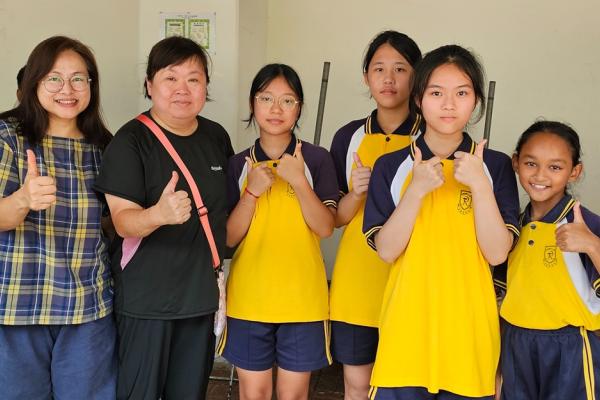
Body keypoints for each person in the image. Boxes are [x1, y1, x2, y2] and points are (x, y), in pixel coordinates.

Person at [362, 45, 520, 399]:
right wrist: (416, 191)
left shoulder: (493, 167)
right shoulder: (392, 165)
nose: (449, 104)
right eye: (436, 93)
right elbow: (386, 250)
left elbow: (497, 253)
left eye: (461, 93)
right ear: (418, 98)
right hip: (406, 329)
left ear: (475, 101)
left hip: (469, 334)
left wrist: (479, 186)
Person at [94, 36, 234, 400]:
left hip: (199, 299)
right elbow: (122, 221)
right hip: (147, 302)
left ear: (205, 86)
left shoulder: (216, 137)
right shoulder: (131, 141)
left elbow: (224, 215)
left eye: (194, 79)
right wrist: (158, 214)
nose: (182, 89)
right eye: (170, 77)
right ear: (149, 84)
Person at [0, 36, 115, 400]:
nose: (67, 89)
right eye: (54, 78)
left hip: (87, 305)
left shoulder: (105, 147)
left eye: (78, 78)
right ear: (34, 82)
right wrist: (23, 199)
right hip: (17, 305)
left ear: (91, 85)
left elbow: (112, 225)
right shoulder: (8, 137)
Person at [219, 63, 338, 400]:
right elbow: (228, 238)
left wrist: (298, 180)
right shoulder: (238, 164)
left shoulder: (317, 159)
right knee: (253, 393)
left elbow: (325, 227)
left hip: (303, 300)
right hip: (249, 299)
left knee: (293, 394)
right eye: (266, 98)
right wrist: (251, 193)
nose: (276, 109)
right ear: (252, 104)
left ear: (299, 107)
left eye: (287, 100)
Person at [328, 30, 422, 400]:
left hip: (412, 280)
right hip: (357, 279)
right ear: (366, 77)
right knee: (357, 384)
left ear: (416, 76)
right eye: (379, 69)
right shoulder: (348, 136)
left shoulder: (432, 136)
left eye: (400, 68)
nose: (389, 78)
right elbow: (335, 218)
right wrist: (356, 193)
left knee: (408, 384)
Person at [500, 121, 600, 399]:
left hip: (569, 347)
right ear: (516, 163)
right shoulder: (510, 227)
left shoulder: (585, 224)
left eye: (555, 167)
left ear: (574, 172)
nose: (540, 175)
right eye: (531, 164)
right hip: (515, 345)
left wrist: (592, 245)